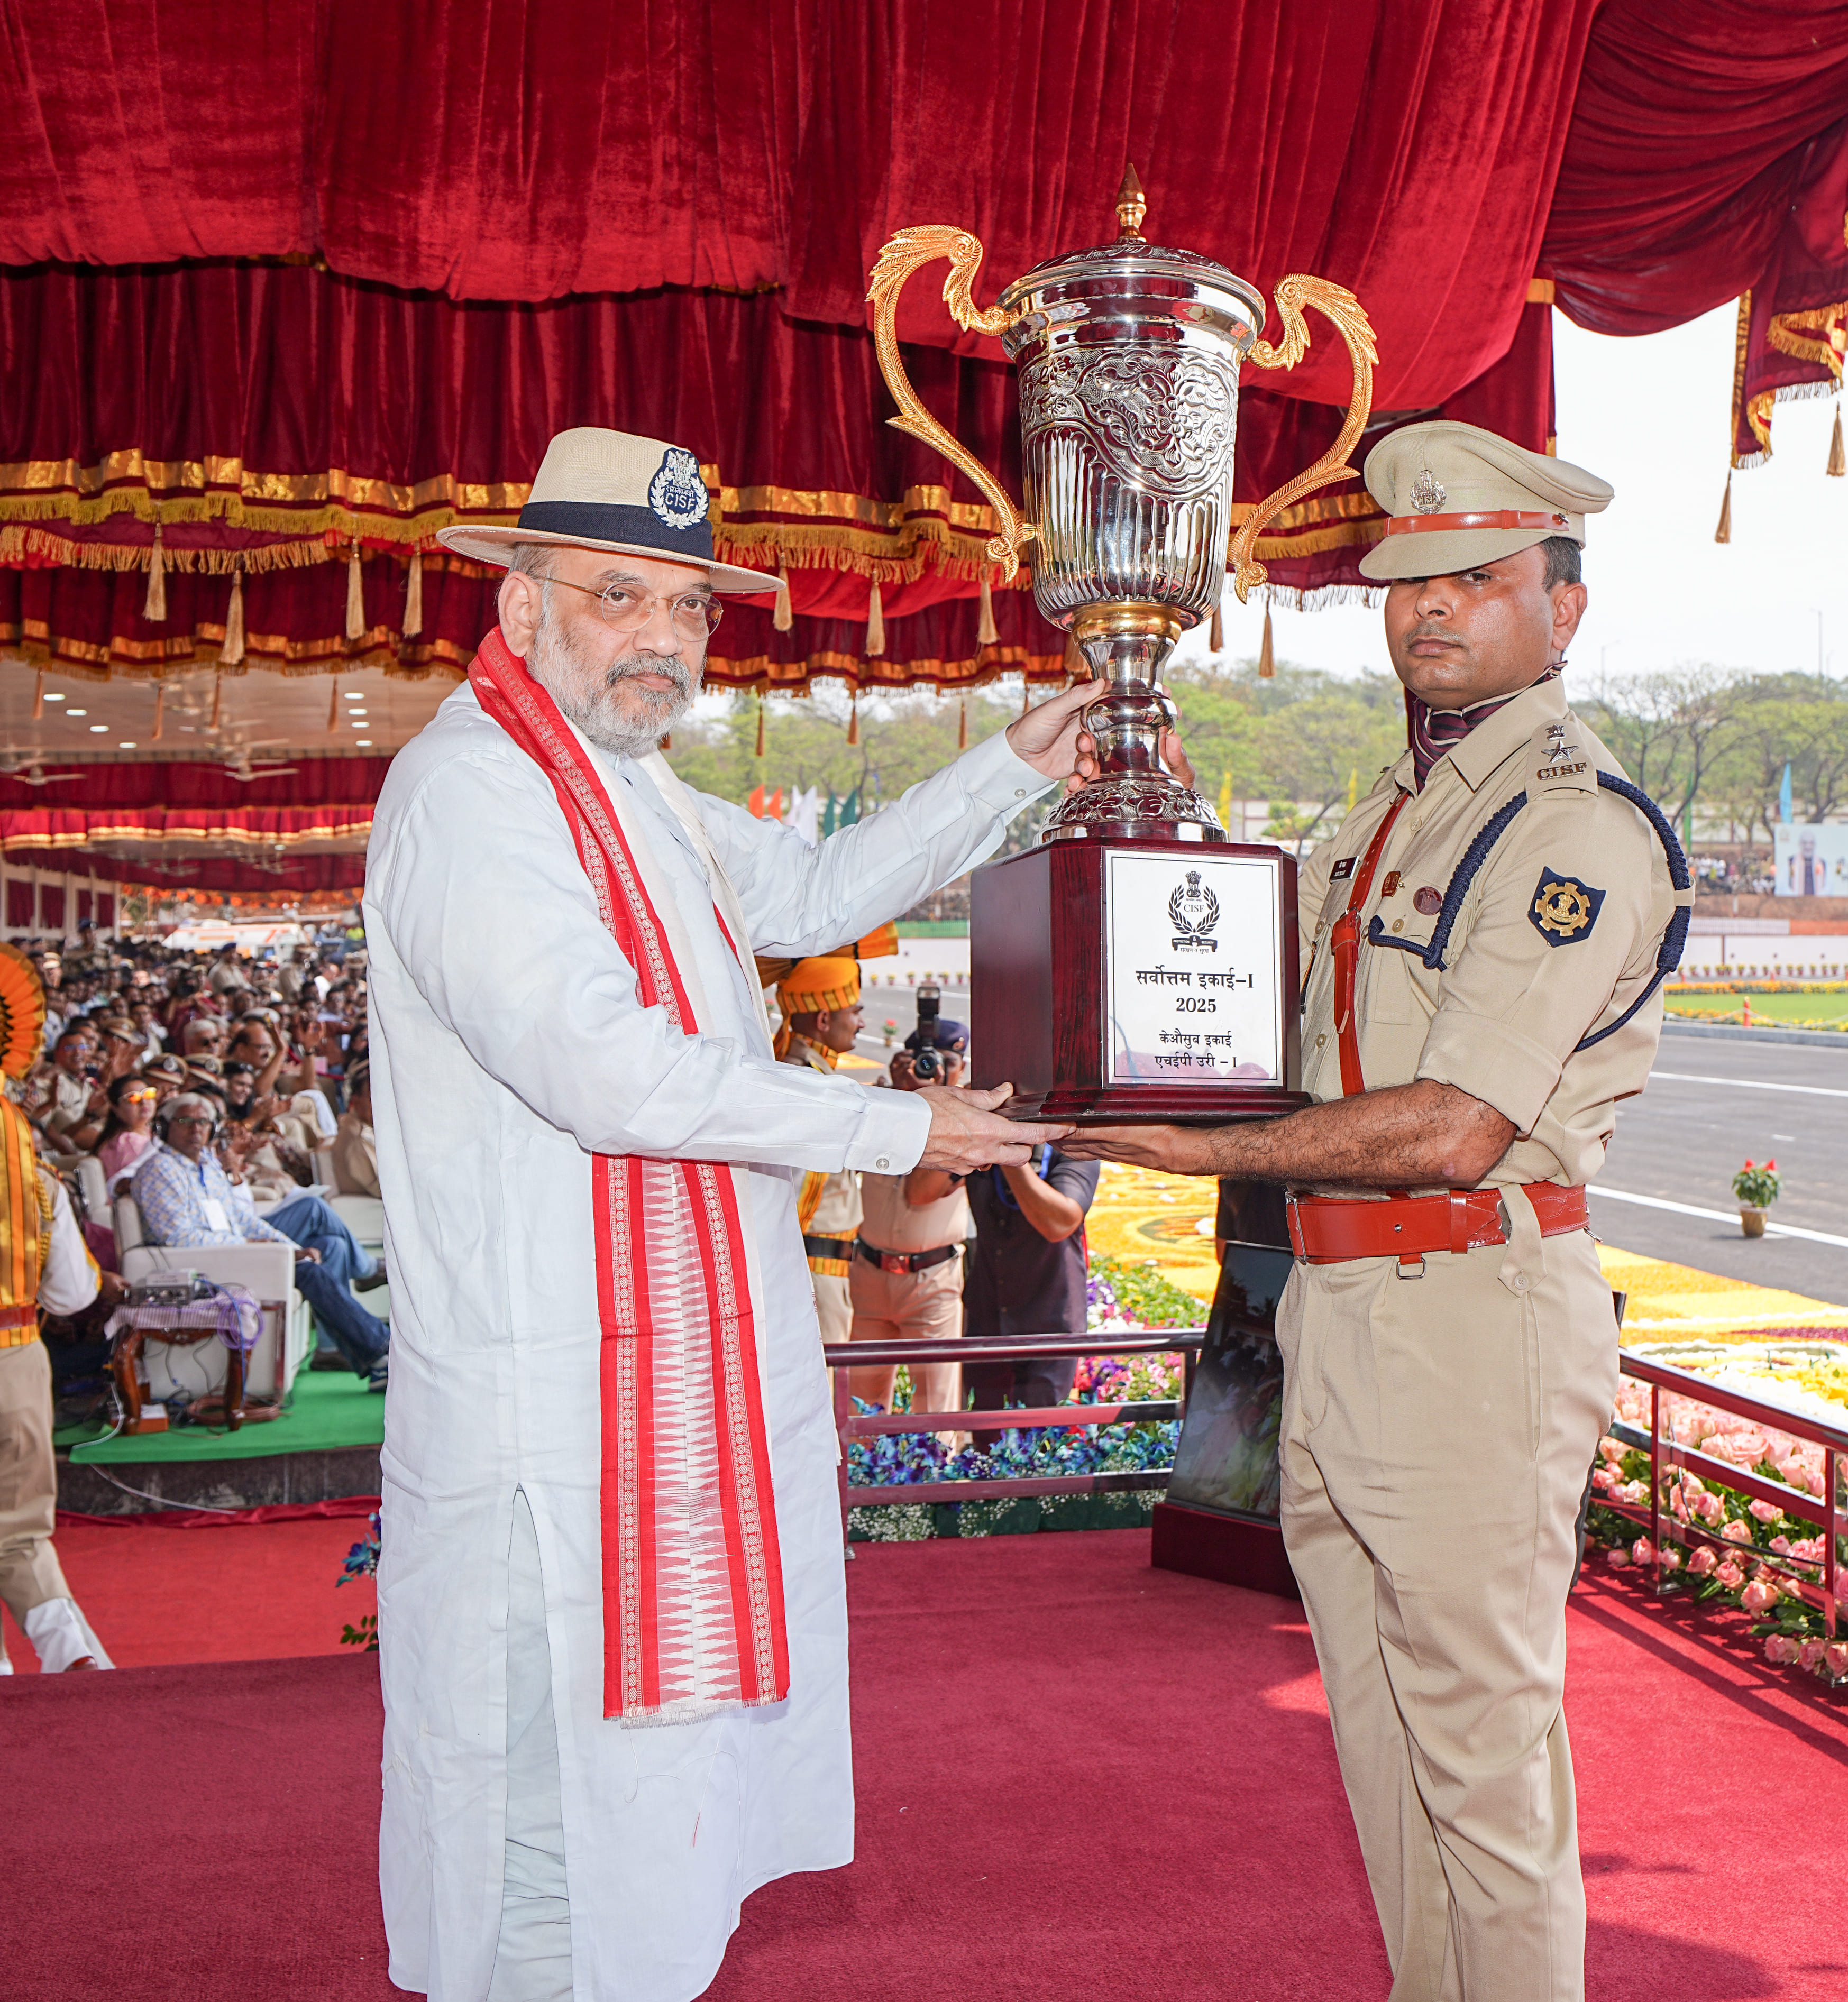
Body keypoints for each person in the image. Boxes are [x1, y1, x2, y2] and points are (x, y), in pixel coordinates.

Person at [369, 425, 1087, 2002]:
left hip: (658, 1414)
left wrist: (1014, 766)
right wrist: (897, 1116)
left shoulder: (643, 793)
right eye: (618, 596)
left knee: (652, 1829)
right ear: (523, 607)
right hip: (547, 1434)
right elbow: (607, 1070)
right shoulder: (474, 794)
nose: (663, 639)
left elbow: (820, 894)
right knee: (551, 1835)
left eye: (687, 607)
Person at [1064, 421, 1686, 2002]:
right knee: (1386, 1750)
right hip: (1341, 1310)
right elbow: (1287, 1032)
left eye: (1476, 576)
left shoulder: (1567, 821)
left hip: (1469, 1311)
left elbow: (1458, 1119)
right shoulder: (1388, 814)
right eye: (1408, 578)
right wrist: (1159, 881)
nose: (1429, 608)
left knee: (1480, 1764)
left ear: (1562, 606)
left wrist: (1198, 1154)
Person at [0, 944, 123, 1674]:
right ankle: (71, 1653)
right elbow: (73, 1295)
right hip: (17, 1361)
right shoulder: (33, 1168)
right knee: (20, 1532)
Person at [132, 1094, 391, 1389]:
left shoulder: (206, 1165)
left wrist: (288, 1249)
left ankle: (358, 1355)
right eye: (185, 1121)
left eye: (202, 1121)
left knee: (330, 1247)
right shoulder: (160, 1170)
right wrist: (255, 1248)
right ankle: (380, 1348)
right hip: (202, 1265)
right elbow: (179, 1239)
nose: (195, 1129)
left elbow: (242, 1219)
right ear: (164, 1127)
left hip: (234, 1252)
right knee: (307, 1270)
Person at [847, 1016, 975, 1427]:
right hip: (868, 1272)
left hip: (931, 1280)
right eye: (924, 1063)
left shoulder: (970, 1125)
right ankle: (857, 1491)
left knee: (934, 1415)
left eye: (945, 1064)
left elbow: (919, 1192)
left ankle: (933, 1492)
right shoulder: (881, 1106)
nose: (932, 1073)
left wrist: (932, 1108)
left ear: (963, 1067)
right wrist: (903, 1105)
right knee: (856, 1414)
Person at [959, 1141, 1100, 1445]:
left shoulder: (1074, 1145)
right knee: (986, 1445)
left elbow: (1059, 1223)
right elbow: (919, 1195)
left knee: (1040, 1447)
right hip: (989, 1321)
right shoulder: (980, 1141)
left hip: (1049, 1326)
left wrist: (1011, 1158)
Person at [773, 956, 866, 1343]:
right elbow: (797, 1194)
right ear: (824, 1020)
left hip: (816, 1267)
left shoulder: (803, 1073)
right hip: (813, 1271)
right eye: (856, 1011)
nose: (861, 1022)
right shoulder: (810, 1084)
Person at [96, 1073, 160, 1192]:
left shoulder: (149, 1132)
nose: (144, 1102)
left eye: (148, 1094)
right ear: (115, 1108)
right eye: (133, 1098)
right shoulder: (128, 1142)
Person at [332, 1058, 379, 1199]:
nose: (380, 1104)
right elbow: (380, 1189)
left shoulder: (361, 1127)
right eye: (372, 1098)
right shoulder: (356, 1136)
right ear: (356, 1101)